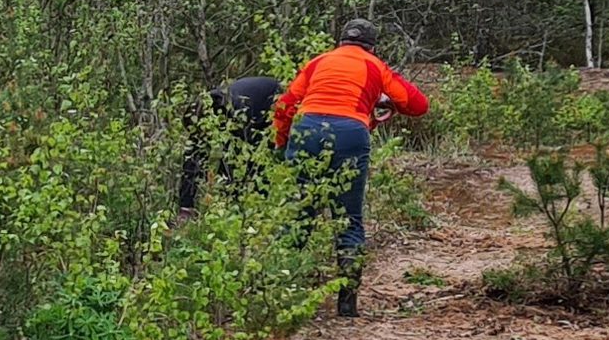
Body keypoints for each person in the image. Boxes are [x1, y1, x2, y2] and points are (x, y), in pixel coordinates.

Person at [272, 17, 432, 318]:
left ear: (342, 40)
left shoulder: (318, 61)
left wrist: (282, 143)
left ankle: (280, 295)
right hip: (350, 133)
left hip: (306, 131)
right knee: (348, 218)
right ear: (372, 45)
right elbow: (418, 105)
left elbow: (285, 105)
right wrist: (387, 101)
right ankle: (347, 305)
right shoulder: (375, 66)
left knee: (299, 215)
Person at [175, 73, 282, 209]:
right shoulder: (201, 114)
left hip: (272, 101)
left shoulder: (236, 112)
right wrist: (186, 206)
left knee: (260, 159)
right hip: (251, 100)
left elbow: (247, 156)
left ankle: (260, 205)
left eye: (202, 134)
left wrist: (232, 193)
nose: (202, 137)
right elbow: (192, 160)